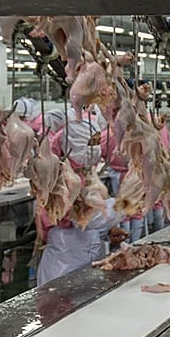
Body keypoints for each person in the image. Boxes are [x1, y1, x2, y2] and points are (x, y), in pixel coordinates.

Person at [36, 121, 118, 286]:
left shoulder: (84, 170)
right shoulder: (61, 176)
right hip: (64, 261)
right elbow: (84, 219)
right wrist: (124, 205)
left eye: (96, 142)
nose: (95, 147)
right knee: (63, 299)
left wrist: (107, 232)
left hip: (86, 253)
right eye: (91, 142)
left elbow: (91, 216)